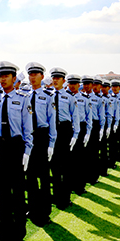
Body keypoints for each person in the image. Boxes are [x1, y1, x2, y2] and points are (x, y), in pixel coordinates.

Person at [0, 61, 33, 241]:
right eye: (1, 75)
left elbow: (27, 128)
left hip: (15, 147)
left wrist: (27, 151)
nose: (3, 79)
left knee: (17, 192)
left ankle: (19, 231)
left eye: (7, 75)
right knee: (2, 192)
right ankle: (6, 230)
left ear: (14, 79)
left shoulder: (23, 99)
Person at [25, 62, 56, 226]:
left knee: (43, 176)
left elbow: (52, 122)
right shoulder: (24, 96)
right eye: (30, 74)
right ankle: (32, 207)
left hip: (42, 136)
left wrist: (51, 143)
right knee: (29, 176)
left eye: (35, 74)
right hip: (28, 137)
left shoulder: (48, 96)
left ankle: (45, 211)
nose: (32, 77)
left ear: (42, 77)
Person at [49, 67, 79, 209]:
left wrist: (76, 134)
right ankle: (56, 197)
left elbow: (75, 117)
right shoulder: (48, 95)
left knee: (65, 167)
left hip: (64, 131)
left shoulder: (69, 97)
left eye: (58, 78)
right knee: (54, 167)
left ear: (63, 81)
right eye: (53, 78)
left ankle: (65, 198)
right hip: (51, 131)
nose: (55, 80)